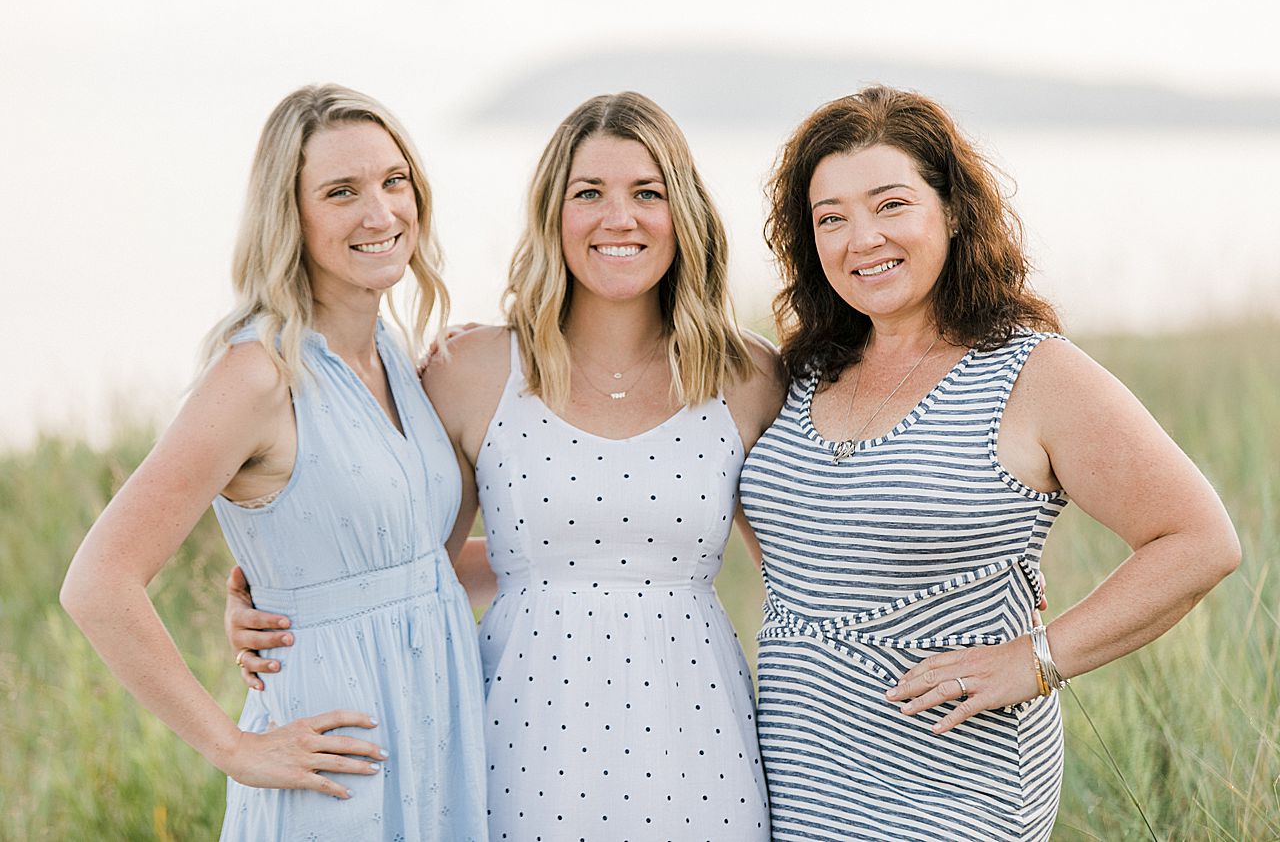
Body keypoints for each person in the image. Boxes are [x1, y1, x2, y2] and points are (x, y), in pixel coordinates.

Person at [229, 91, 785, 839]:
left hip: (698, 736)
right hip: (520, 739)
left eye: (647, 193)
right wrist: (278, 602)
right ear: (553, 212)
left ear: (683, 211)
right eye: (589, 193)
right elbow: (414, 567)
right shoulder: (473, 369)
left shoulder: (747, 375)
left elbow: (803, 578)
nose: (619, 218)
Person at [738, 85, 1241, 841]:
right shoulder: (803, 371)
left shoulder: (1031, 373)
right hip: (795, 781)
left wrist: (1035, 659)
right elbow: (793, 550)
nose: (862, 238)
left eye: (891, 204)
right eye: (830, 218)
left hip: (954, 791)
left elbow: (1199, 540)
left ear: (952, 210)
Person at [61, 84, 488, 841]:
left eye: (394, 181)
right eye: (341, 191)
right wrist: (234, 749)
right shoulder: (258, 375)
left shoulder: (392, 354)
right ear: (289, 215)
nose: (380, 213)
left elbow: (416, 565)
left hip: (436, 741)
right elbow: (98, 581)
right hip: (335, 761)